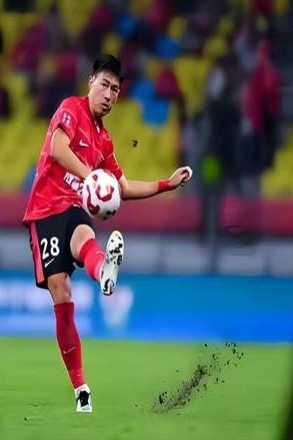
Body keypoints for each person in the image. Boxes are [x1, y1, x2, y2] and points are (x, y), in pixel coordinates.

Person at [22, 54, 193, 413]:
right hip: (45, 209)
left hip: (73, 207)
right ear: (91, 83)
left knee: (85, 239)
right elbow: (57, 149)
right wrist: (92, 177)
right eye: (104, 85)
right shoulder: (71, 108)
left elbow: (123, 187)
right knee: (61, 291)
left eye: (115, 90)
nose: (109, 94)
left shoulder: (104, 141)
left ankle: (104, 273)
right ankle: (80, 387)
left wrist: (166, 183)